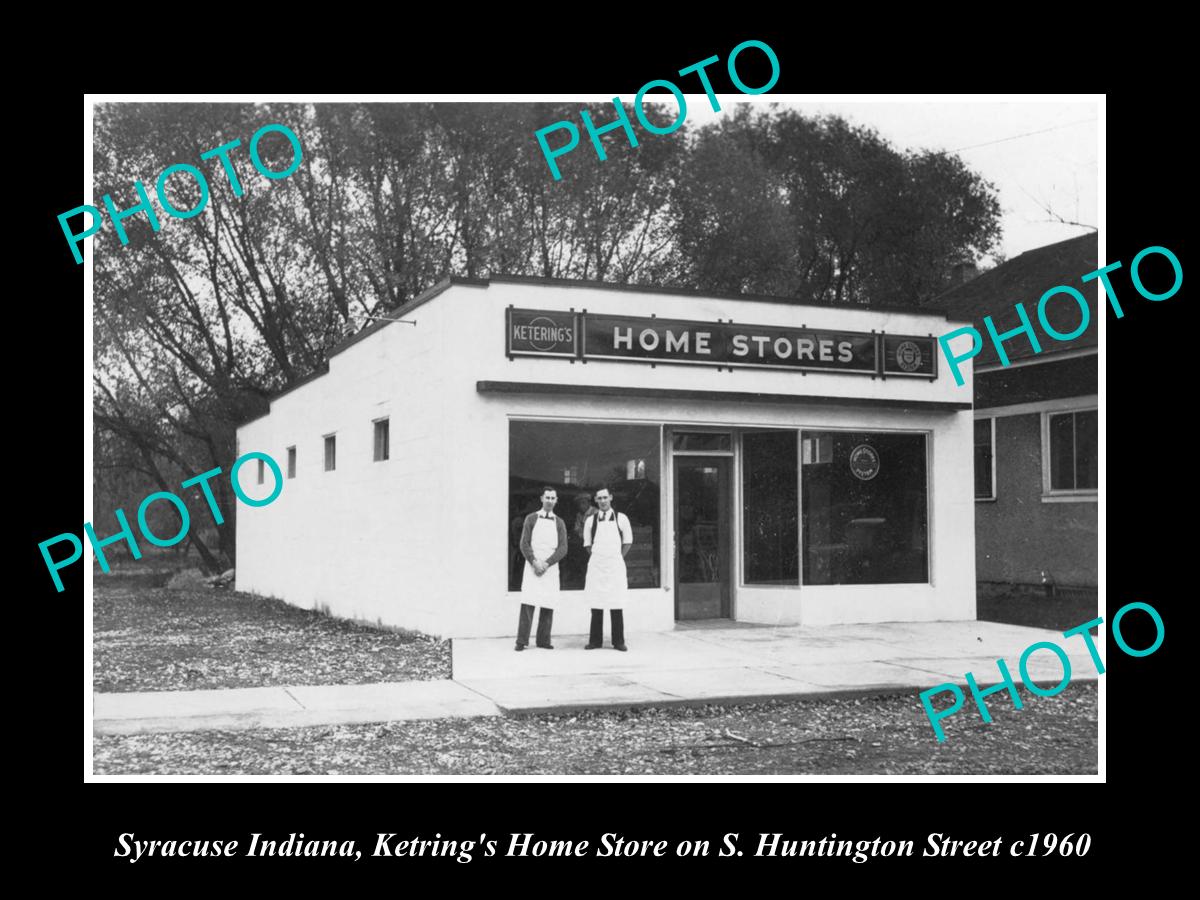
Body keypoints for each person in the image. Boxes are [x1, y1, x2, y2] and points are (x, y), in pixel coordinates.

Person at [516, 487, 568, 651]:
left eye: (553, 498)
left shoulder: (559, 522)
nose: (550, 501)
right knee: (528, 601)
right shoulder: (531, 518)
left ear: (556, 500)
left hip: (550, 568)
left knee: (548, 602)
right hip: (533, 566)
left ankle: (543, 640)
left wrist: (547, 563)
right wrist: (534, 562)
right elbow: (524, 543)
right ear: (541, 498)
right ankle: (521, 640)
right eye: (547, 498)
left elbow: (563, 547)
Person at [582, 487, 633, 651]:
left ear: (611, 498)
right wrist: (599, 557)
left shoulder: (621, 518)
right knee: (596, 602)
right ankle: (595, 641)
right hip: (597, 566)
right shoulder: (591, 520)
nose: (603, 501)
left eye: (605, 497)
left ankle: (618, 641)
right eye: (599, 498)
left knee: (616, 602)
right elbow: (588, 545)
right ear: (596, 501)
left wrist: (617, 557)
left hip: (615, 566)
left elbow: (628, 541)